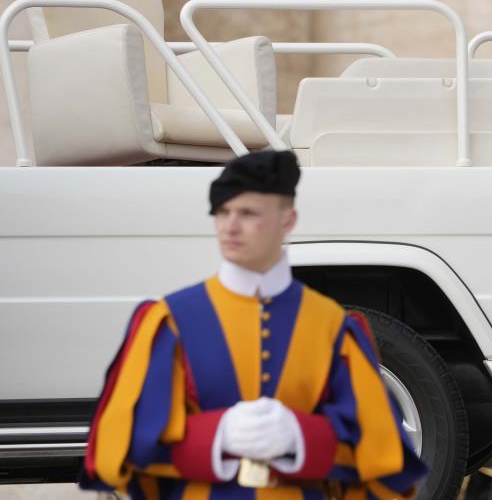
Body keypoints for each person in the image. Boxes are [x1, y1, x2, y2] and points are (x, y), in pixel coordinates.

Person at [80, 150, 426, 499]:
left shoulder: (332, 327)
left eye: (247, 213)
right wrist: (218, 434)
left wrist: (300, 435)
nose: (230, 226)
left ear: (287, 221)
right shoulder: (171, 321)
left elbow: (382, 454)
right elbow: (124, 444)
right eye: (222, 212)